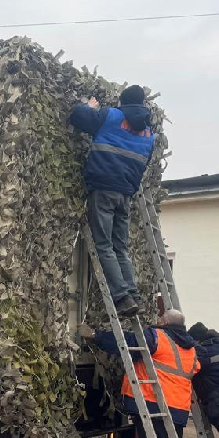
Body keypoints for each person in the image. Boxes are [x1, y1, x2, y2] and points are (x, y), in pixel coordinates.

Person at [79, 309, 199, 438]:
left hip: (155, 406)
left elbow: (126, 342)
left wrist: (95, 336)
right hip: (178, 410)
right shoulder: (190, 347)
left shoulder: (157, 337)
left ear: (163, 321)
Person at [69, 85, 156, 317]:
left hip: (103, 189)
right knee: (121, 247)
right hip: (125, 195)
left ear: (122, 102)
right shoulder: (149, 133)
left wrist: (88, 106)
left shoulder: (111, 116)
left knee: (104, 246)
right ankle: (134, 294)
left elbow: (78, 117)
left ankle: (122, 297)